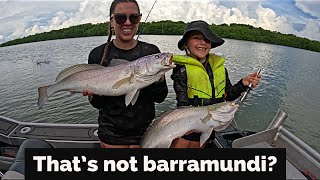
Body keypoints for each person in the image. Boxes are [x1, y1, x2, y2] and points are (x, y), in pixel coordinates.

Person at [83, 0, 168, 148]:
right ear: (111, 21)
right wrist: (94, 93)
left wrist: (159, 78)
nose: (127, 23)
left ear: (139, 19)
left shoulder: (151, 52)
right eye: (120, 17)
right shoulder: (97, 54)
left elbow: (160, 98)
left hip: (147, 132)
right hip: (111, 134)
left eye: (133, 17)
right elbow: (97, 104)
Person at [170, 20, 261, 148]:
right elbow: (182, 103)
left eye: (207, 39)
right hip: (187, 129)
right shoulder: (181, 70)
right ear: (186, 44)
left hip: (210, 126)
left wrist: (243, 83)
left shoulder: (220, 69)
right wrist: (186, 128)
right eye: (196, 38)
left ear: (211, 44)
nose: (202, 42)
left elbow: (227, 96)